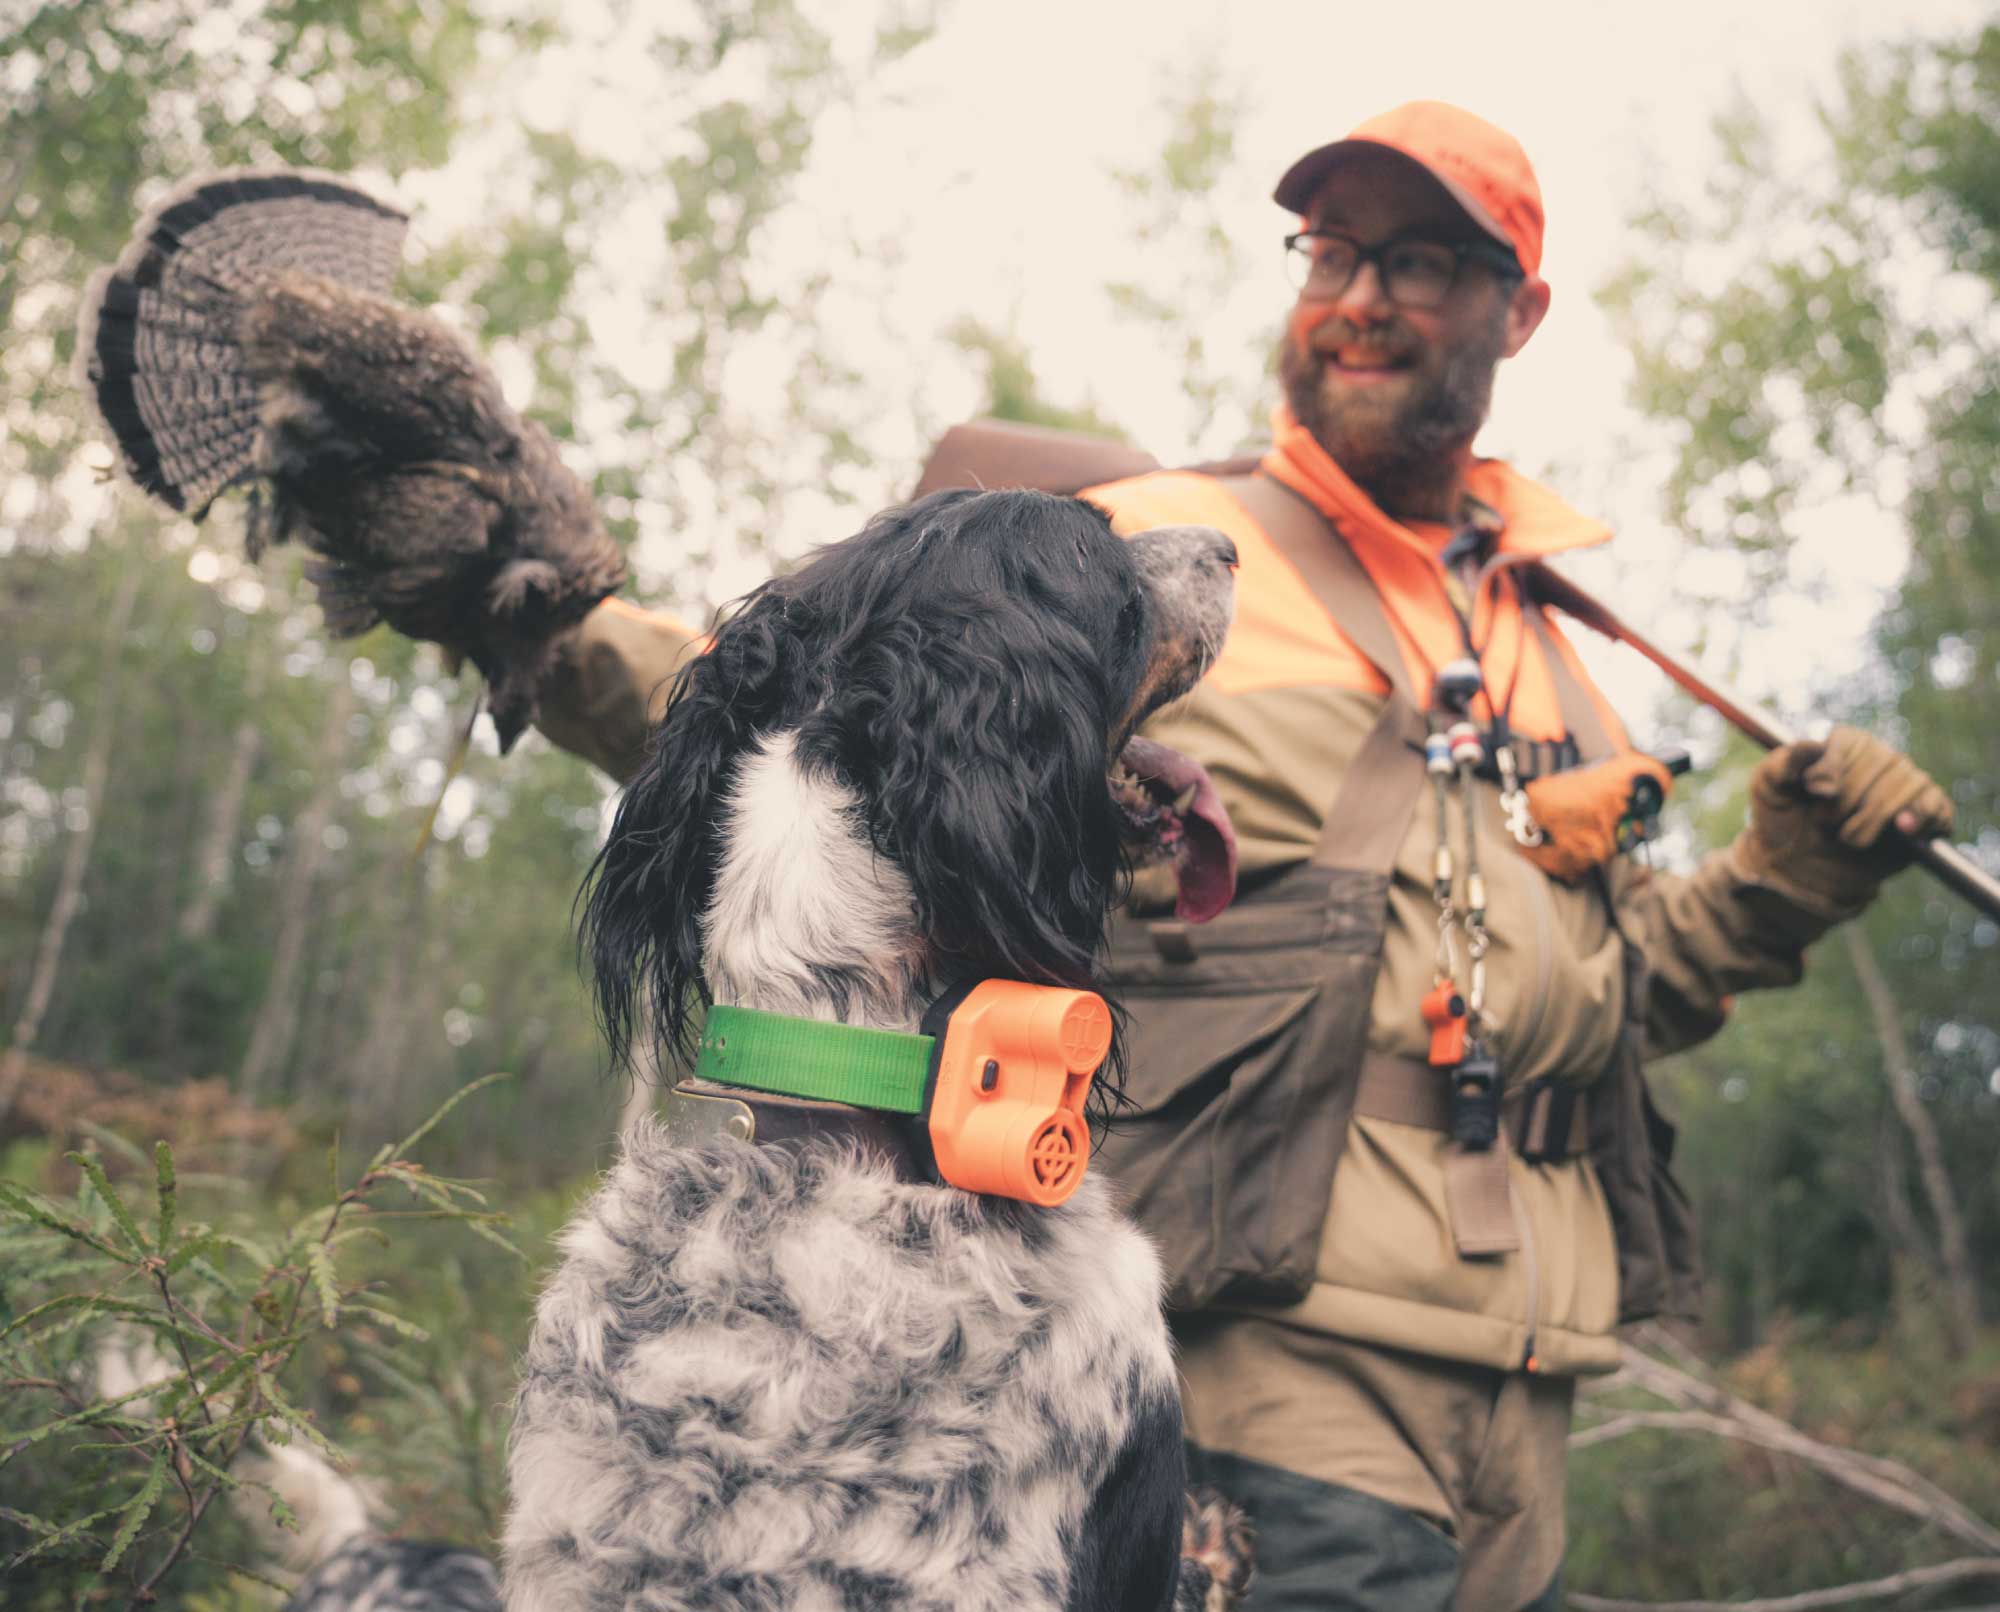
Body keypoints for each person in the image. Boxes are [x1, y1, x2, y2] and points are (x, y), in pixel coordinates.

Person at [464, 103, 1956, 1610]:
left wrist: (1793, 873)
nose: (1363, 296)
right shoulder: (1153, 543)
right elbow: (830, 700)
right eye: (1333, 251)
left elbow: (1617, 987)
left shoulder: (1558, 654)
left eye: (1423, 261)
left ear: (1523, 310)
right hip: (1273, 1368)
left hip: (1530, 1388)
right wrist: (536, 615)